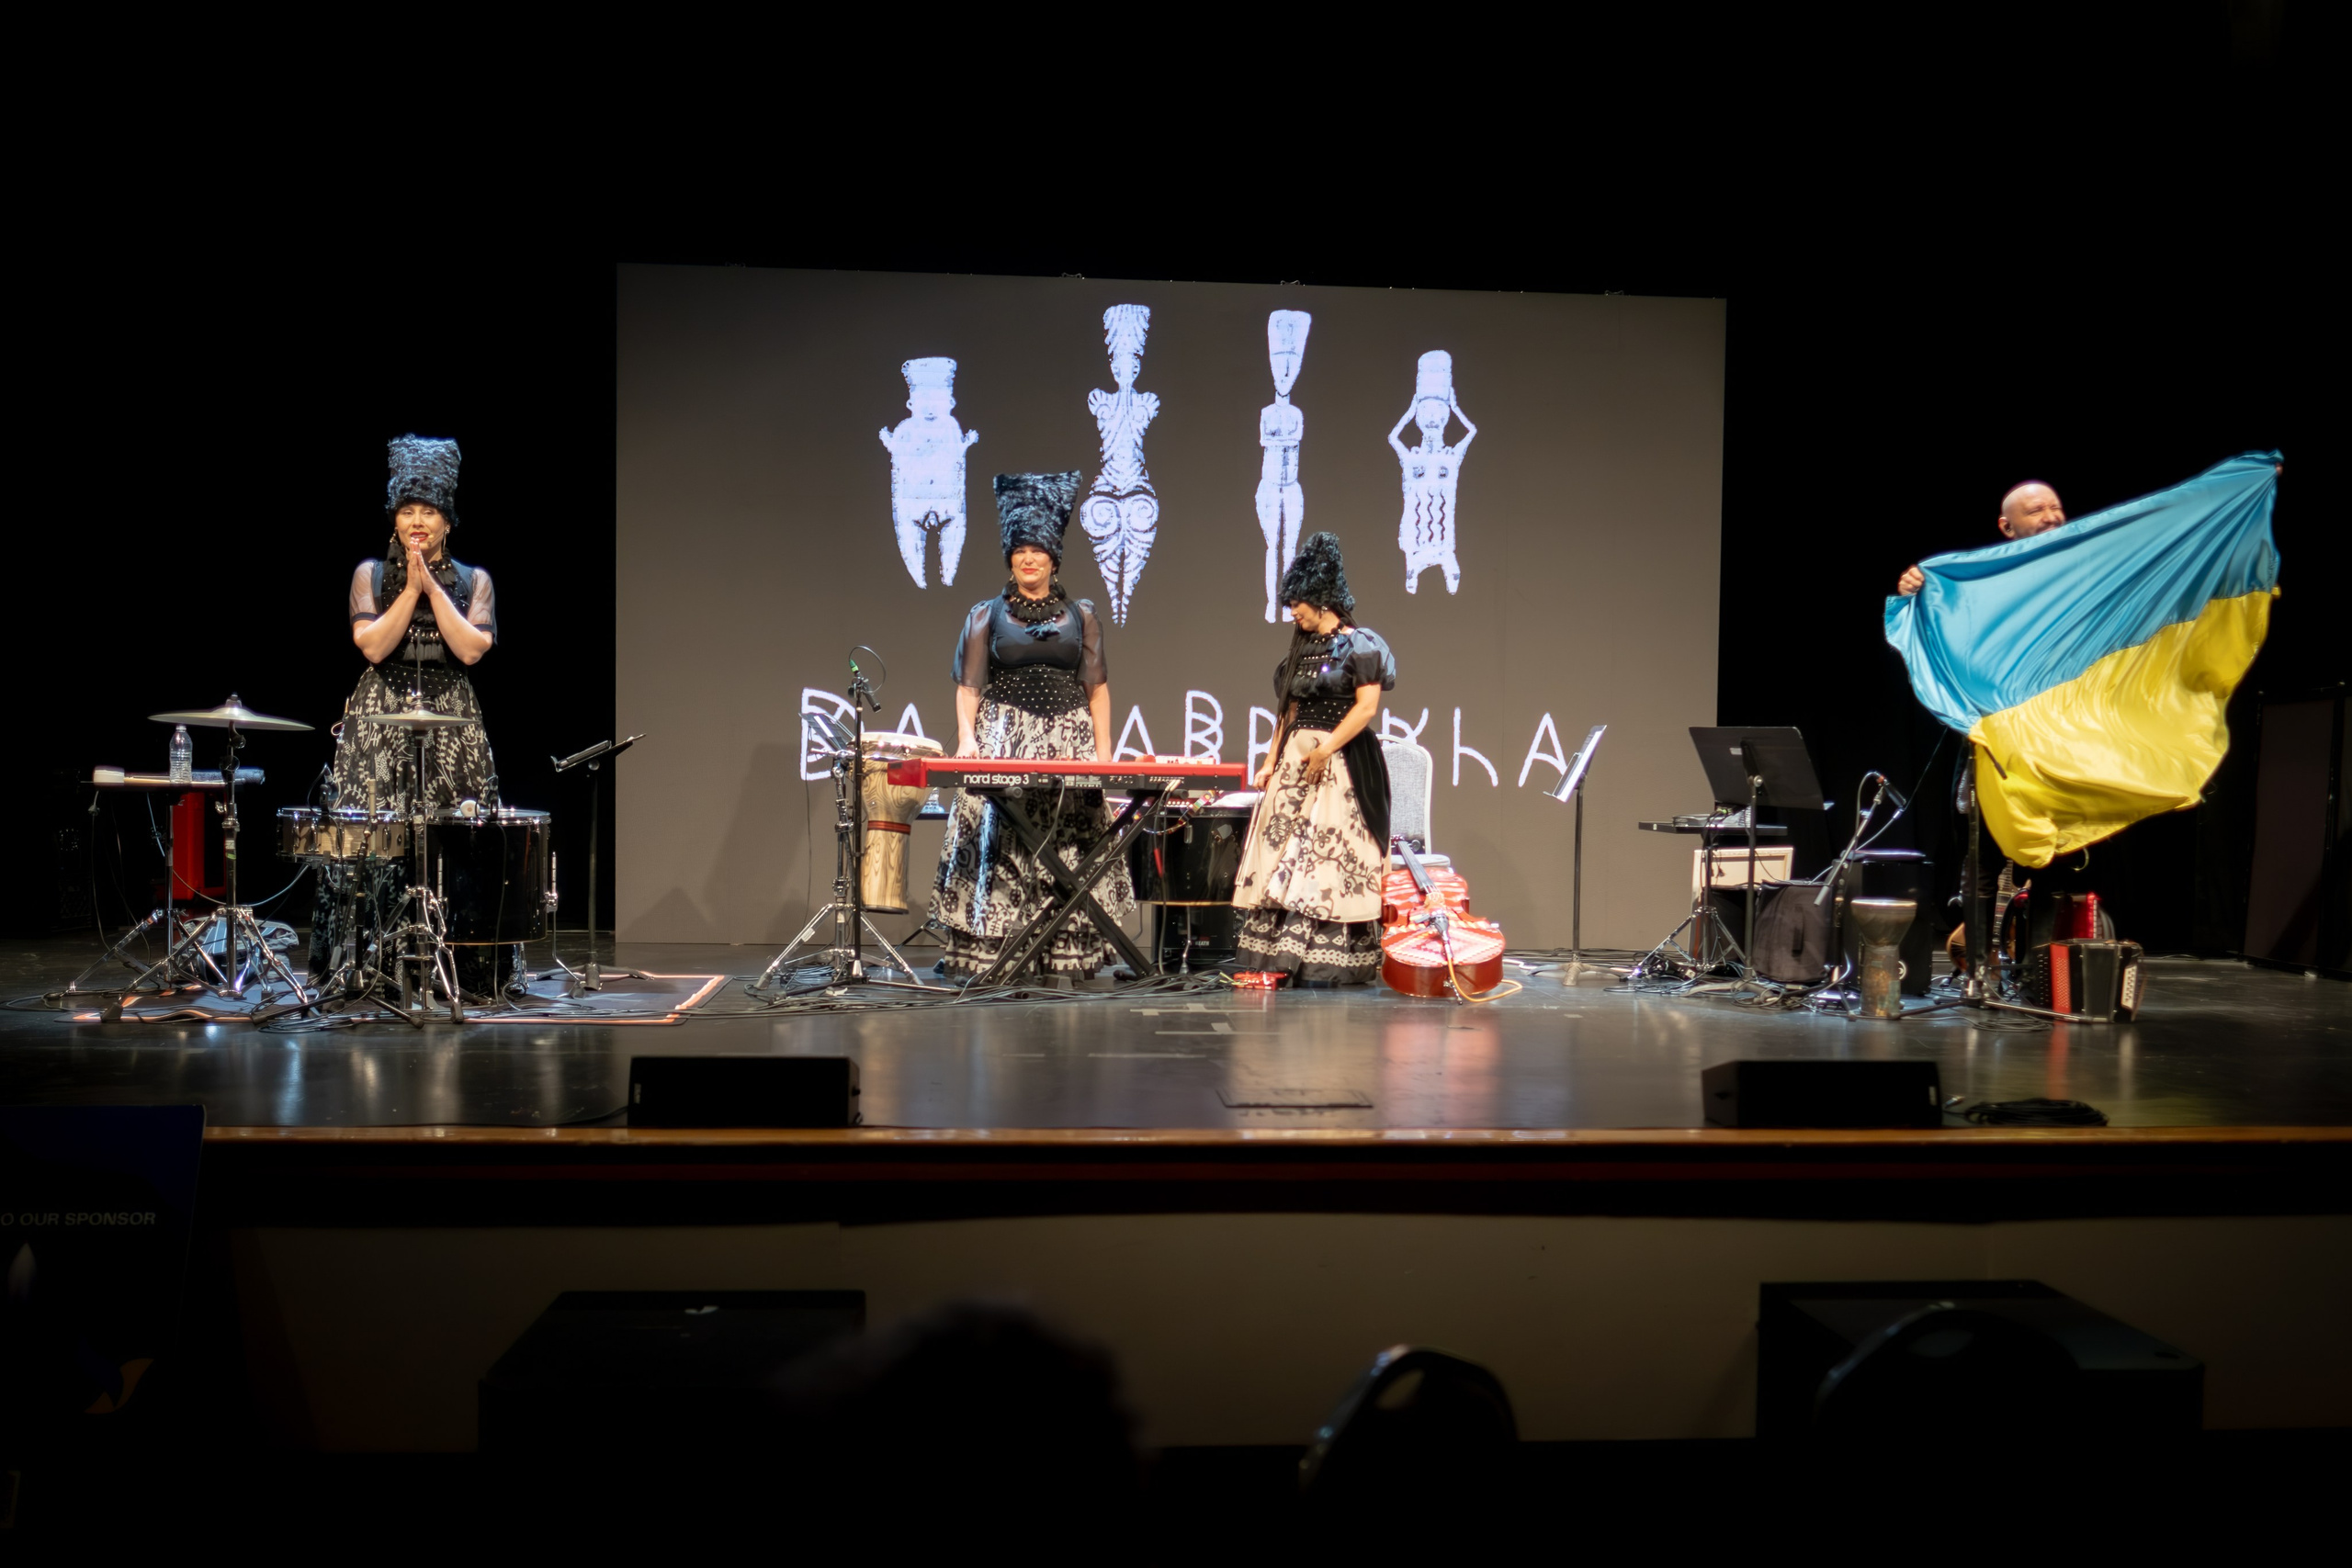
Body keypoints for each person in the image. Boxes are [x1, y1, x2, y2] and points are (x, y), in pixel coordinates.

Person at [309, 434, 500, 987]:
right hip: (379, 719)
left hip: (452, 721)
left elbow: (468, 649)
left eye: (430, 511)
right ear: (394, 519)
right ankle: (365, 966)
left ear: (447, 521)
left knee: (455, 835)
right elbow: (372, 646)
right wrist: (408, 590)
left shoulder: (474, 580)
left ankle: (457, 966)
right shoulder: (369, 574)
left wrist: (432, 590)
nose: (418, 521)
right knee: (373, 836)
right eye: (407, 510)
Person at [928, 471, 1135, 979]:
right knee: (1004, 838)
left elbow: (1098, 688)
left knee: (1066, 838)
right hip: (1005, 736)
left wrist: (1103, 753)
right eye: (1019, 550)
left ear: (1053, 559)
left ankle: (1064, 947)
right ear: (1010, 558)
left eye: (1037, 551)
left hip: (1069, 737)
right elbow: (969, 687)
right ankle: (996, 949)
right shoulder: (986, 615)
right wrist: (971, 738)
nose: (1028, 559)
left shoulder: (1081, 615)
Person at [1232, 533, 1396, 984]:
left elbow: (1365, 708)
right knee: (1285, 849)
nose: (1292, 613)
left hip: (1342, 761)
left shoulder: (1360, 644)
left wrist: (1326, 749)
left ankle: (1325, 962)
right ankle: (1280, 957)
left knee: (1327, 854)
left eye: (1297, 604)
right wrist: (1271, 760)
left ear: (1321, 600)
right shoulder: (1298, 653)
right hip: (1297, 762)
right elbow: (1287, 713)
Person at [1895, 480, 2065, 594]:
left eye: (2055, 508)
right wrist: (1916, 595)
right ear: (2007, 527)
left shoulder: (2088, 561)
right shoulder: (1986, 577)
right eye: (2036, 511)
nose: (2051, 518)